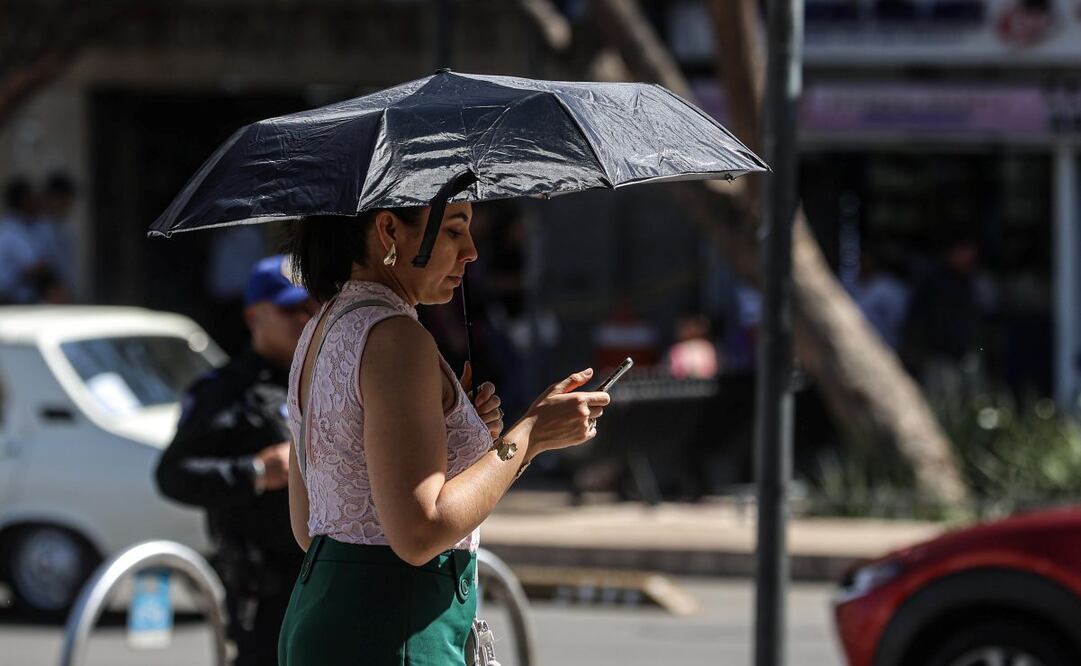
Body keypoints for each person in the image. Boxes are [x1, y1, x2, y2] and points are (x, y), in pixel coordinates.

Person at [278, 203, 611, 665]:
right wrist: (531, 434)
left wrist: (457, 443)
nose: (471, 251)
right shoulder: (396, 336)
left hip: (321, 615)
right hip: (394, 629)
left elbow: (311, 524)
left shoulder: (321, 326)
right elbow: (420, 532)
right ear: (389, 230)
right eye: (455, 231)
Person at [155, 254, 318, 666]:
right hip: (263, 588)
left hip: (324, 575)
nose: (304, 319)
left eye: (310, 307)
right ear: (253, 317)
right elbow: (173, 474)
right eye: (289, 309)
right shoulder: (224, 392)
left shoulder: (325, 380)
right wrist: (256, 472)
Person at [0, 177, 49, 304]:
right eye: (32, 198)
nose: (36, 203)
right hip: (10, 301)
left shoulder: (26, 226)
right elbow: (33, 268)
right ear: (23, 201)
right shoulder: (13, 231)